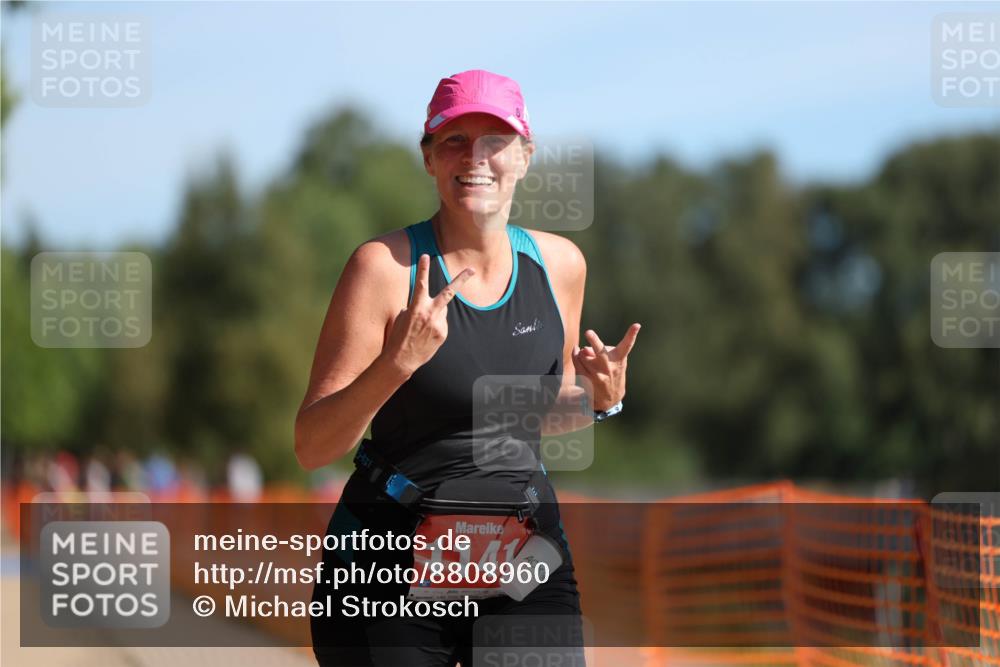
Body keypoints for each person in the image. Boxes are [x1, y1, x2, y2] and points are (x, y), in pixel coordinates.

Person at [296, 68, 640, 667]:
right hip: (390, 559)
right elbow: (311, 444)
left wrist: (597, 400)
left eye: (494, 141)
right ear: (428, 158)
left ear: (525, 157)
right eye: (454, 140)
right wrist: (395, 366)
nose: (474, 158)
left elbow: (534, 414)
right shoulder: (383, 268)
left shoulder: (559, 265)